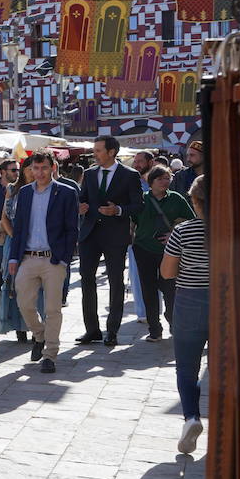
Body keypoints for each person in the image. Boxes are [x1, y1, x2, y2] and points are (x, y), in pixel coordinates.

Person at [7, 151, 79, 374]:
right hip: (28, 257)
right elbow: (19, 228)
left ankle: (50, 354)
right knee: (24, 304)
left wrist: (64, 258)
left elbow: (71, 228)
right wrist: (13, 257)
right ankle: (39, 335)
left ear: (53, 167)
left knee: (52, 308)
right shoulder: (25, 193)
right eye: (35, 169)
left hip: (53, 259)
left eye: (44, 168)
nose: (39, 173)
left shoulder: (66, 192)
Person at [76, 135, 143, 346]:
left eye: (98, 150)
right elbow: (83, 199)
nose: (94, 154)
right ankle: (92, 330)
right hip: (90, 234)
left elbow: (139, 205)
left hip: (115, 235)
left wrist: (118, 210)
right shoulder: (89, 173)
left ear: (111, 152)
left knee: (116, 281)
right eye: (94, 150)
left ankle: (112, 330)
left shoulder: (130, 175)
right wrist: (81, 206)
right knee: (87, 279)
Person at [161, 175, 209, 454]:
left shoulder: (184, 231)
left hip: (190, 301)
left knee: (187, 368)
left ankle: (191, 416)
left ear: (195, 201)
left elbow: (167, 272)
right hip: (226, 301)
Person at [133, 164, 193, 341]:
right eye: (160, 179)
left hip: (170, 251)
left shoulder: (176, 199)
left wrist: (173, 233)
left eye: (167, 178)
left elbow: (191, 221)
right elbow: (132, 219)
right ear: (151, 182)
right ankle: (154, 328)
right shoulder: (141, 199)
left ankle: (173, 321)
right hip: (144, 249)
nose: (165, 182)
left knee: (170, 288)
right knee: (148, 289)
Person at [0, 165, 31, 344]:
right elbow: (4, 218)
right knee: (14, 285)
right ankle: (19, 327)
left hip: (37, 243)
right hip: (14, 241)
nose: (33, 172)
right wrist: (16, 238)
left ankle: (38, 328)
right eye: (30, 168)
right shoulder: (12, 189)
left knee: (36, 288)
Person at [127, 152, 155, 325]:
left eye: (140, 161)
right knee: (136, 276)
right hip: (136, 237)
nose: (136, 164)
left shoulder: (161, 181)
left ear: (150, 162)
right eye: (135, 162)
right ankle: (143, 312)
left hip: (158, 237)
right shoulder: (131, 183)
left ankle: (156, 310)